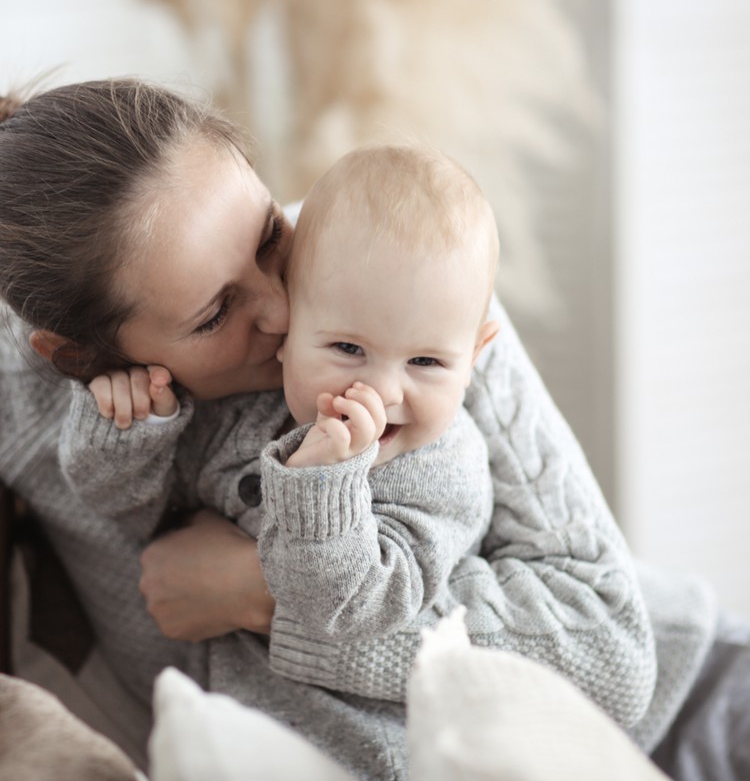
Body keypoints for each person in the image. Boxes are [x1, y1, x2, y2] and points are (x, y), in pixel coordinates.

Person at [0, 77, 740, 781]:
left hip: (688, 706)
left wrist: (263, 597)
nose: (288, 314)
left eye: (268, 237)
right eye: (215, 314)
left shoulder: (391, 270)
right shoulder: (81, 422)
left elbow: (611, 650)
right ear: (80, 357)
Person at [80, 143, 500, 642]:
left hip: (359, 722)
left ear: (473, 357)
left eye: (426, 362)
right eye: (347, 347)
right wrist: (137, 425)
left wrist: (322, 486)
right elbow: (133, 516)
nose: (383, 391)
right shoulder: (244, 409)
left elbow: (354, 612)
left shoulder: (444, 473)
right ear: (288, 330)